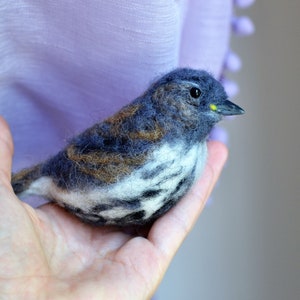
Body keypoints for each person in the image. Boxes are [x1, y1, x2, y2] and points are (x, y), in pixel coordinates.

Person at [0, 1, 253, 298]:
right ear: (166, 97)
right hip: (64, 182)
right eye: (195, 95)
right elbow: (84, 158)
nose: (211, 107)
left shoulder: (195, 155)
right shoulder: (148, 141)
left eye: (215, 103)